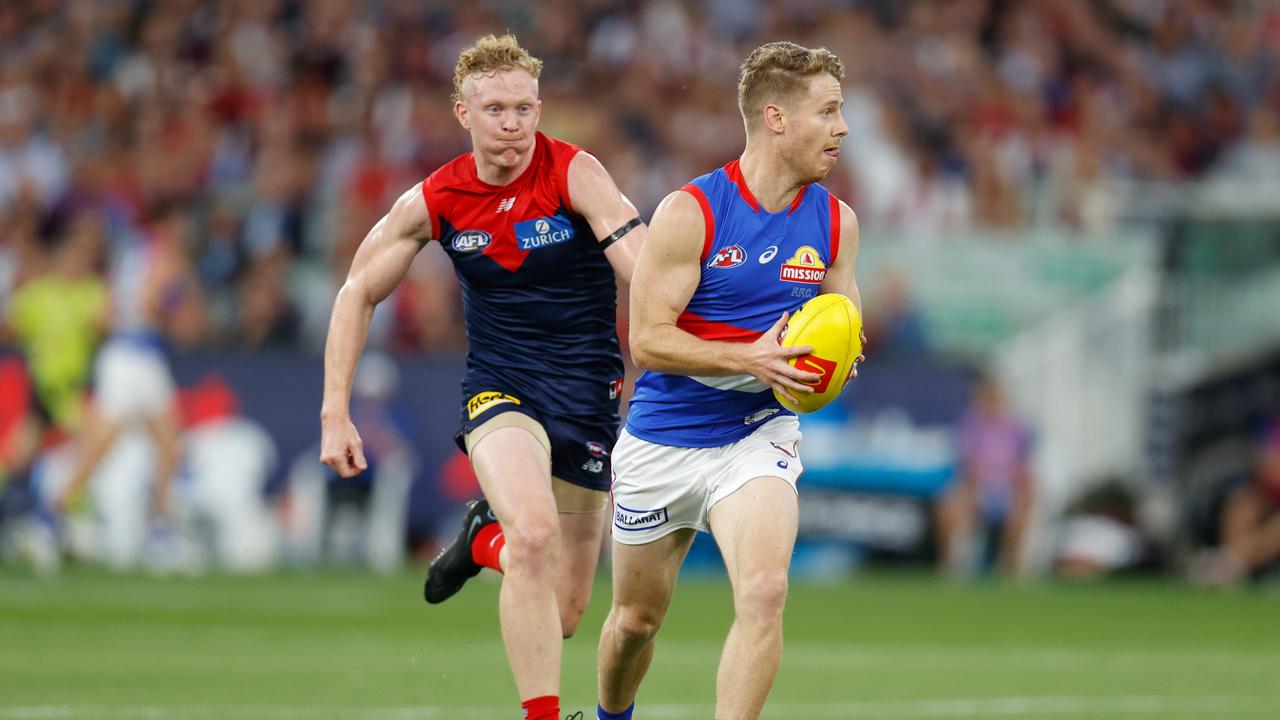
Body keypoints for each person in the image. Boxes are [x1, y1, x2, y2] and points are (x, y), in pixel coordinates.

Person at [318, 35, 644, 720]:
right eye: (495, 108)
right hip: (503, 392)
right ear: (462, 113)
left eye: (524, 108)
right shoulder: (436, 197)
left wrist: (685, 341)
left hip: (587, 400)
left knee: (562, 614)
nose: (513, 124)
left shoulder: (574, 173)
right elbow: (356, 291)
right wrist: (334, 412)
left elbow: (639, 263)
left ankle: (478, 540)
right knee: (533, 536)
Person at [595, 41, 862, 720]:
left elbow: (842, 324)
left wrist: (839, 361)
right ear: (776, 117)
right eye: (828, 111)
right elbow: (648, 341)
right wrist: (750, 357)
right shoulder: (693, 212)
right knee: (634, 623)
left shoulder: (836, 223)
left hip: (755, 433)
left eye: (842, 111)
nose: (843, 127)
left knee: (766, 590)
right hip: (663, 439)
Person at [934, 372, 1035, 579]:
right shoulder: (970, 424)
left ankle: (1010, 568)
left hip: (1007, 488)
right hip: (977, 487)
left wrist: (1020, 487)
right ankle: (951, 567)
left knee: (1025, 501)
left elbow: (1023, 466)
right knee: (949, 504)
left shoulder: (1015, 428)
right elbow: (966, 463)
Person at [1190, 420, 1280, 587]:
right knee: (1243, 503)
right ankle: (1232, 564)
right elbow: (1265, 464)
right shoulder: (1275, 425)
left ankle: (1228, 568)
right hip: (1269, 494)